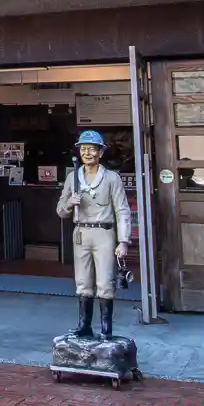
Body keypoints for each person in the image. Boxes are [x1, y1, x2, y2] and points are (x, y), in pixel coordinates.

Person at [55, 129, 131, 339]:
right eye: (84, 149)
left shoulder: (111, 178)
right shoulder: (73, 178)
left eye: (92, 149)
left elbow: (122, 210)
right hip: (81, 232)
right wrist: (70, 203)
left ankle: (106, 329)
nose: (88, 153)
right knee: (83, 281)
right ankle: (84, 325)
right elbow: (60, 210)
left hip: (104, 232)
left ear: (101, 153)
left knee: (105, 282)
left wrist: (123, 241)